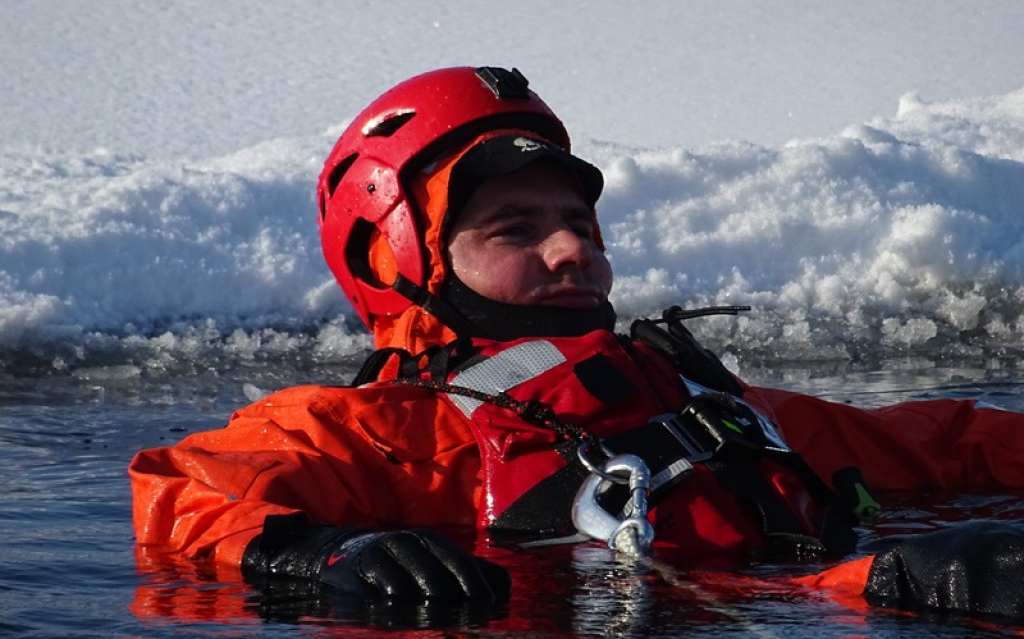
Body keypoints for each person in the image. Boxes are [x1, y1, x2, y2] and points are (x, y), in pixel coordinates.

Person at [131, 66, 1024, 626]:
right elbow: (179, 493)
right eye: (516, 229)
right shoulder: (378, 434)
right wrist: (330, 554)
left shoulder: (708, 403)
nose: (572, 249)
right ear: (399, 259)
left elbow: (940, 443)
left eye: (576, 222)